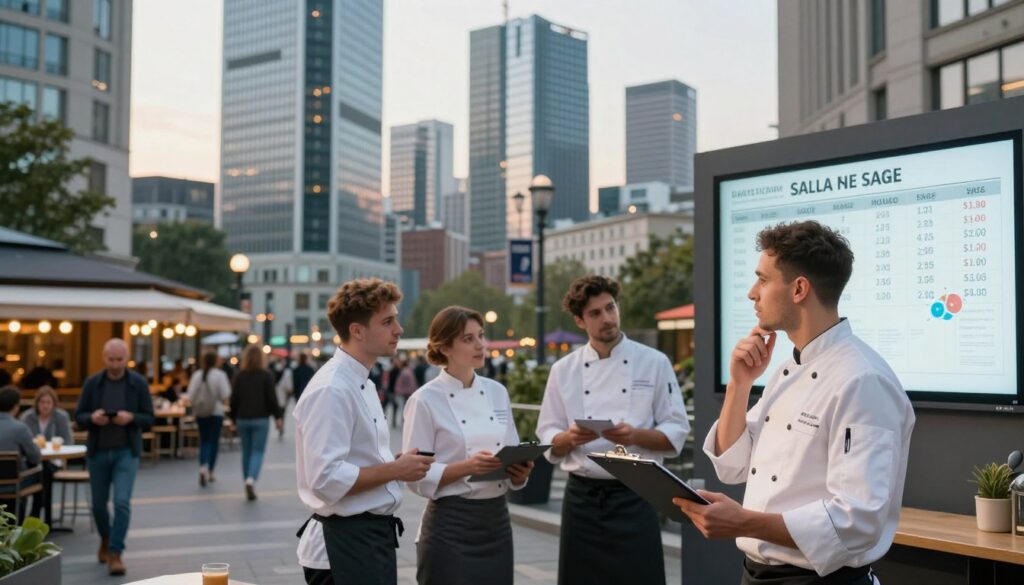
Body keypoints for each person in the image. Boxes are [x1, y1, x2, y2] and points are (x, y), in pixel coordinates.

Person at [676, 221, 914, 585]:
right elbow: (733, 466)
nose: (752, 293)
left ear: (799, 288)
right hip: (755, 575)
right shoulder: (787, 369)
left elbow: (858, 521)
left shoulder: (863, 380)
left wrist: (744, 521)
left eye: (763, 279)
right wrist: (740, 385)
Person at [536, 275, 690, 585]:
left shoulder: (654, 362)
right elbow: (547, 432)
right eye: (595, 313)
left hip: (638, 493)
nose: (607, 318)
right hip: (582, 498)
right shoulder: (563, 370)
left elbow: (676, 429)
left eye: (610, 308)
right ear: (580, 321)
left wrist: (634, 436)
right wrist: (568, 438)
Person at [293, 278, 433, 585]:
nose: (399, 329)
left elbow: (353, 461)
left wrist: (394, 466)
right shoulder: (332, 388)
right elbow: (326, 479)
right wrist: (395, 469)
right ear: (357, 330)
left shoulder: (362, 382)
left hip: (366, 540)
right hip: (342, 547)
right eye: (387, 321)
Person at [403, 306, 533, 585]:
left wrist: (519, 475)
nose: (480, 345)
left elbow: (510, 450)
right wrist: (466, 468)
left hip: (497, 521)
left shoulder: (498, 392)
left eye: (481, 336)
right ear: (445, 347)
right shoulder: (424, 400)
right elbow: (414, 477)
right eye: (468, 339)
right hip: (450, 525)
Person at [75, 338, 154, 577]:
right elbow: (79, 415)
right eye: (112, 359)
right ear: (104, 358)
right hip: (98, 451)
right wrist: (92, 418)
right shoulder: (93, 383)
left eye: (120, 359)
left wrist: (131, 418)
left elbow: (149, 417)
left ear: (127, 358)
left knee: (121, 502)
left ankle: (116, 553)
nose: (116, 364)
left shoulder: (137, 383)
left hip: (125, 452)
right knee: (98, 505)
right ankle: (107, 538)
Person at [229, 344, 283, 501]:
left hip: (242, 418)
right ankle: (251, 479)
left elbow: (234, 400)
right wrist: (278, 417)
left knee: (246, 451)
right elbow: (272, 399)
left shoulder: (239, 376)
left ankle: (247, 479)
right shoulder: (266, 375)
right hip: (260, 418)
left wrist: (232, 418)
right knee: (257, 451)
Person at [185, 351, 231, 487]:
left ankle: (202, 466)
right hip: (216, 411)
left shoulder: (197, 375)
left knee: (204, 440)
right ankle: (210, 470)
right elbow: (225, 395)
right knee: (214, 441)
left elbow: (191, 396)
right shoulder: (220, 375)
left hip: (201, 412)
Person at [0, 385, 41, 522]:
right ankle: (33, 523)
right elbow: (35, 457)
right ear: (16, 406)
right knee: (41, 473)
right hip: (13, 485)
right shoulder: (20, 428)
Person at [391, 359, 416, 428]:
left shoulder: (404, 372)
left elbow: (399, 383)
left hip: (405, 392)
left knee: (404, 407)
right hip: (407, 392)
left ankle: (402, 421)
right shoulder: (407, 372)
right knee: (406, 408)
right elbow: (410, 383)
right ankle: (404, 421)